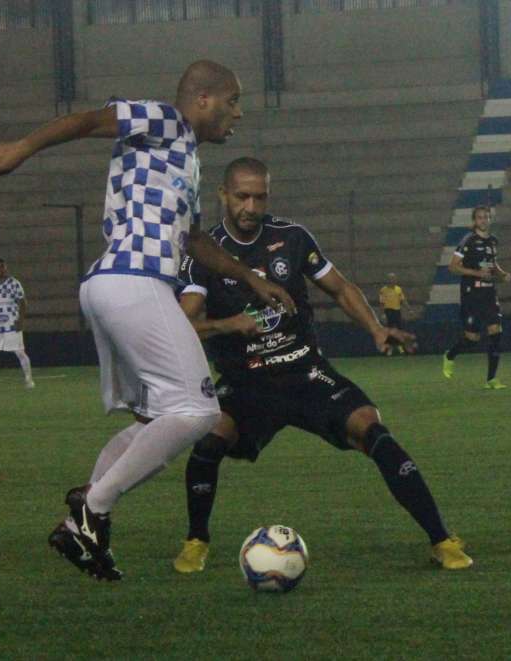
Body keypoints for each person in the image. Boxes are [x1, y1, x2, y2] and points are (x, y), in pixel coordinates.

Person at [0, 61, 296, 581]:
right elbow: (85, 121)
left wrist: (249, 278)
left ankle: (82, 517)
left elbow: (194, 242)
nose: (238, 111)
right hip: (132, 283)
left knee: (156, 421)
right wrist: (21, 150)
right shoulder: (165, 120)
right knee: (198, 412)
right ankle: (90, 512)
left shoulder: (185, 157)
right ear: (204, 98)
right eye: (232, 100)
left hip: (114, 286)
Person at [172, 157, 472, 573]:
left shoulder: (291, 238)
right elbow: (181, 325)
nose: (251, 207)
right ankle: (196, 541)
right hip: (246, 381)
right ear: (223, 195)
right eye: (242, 196)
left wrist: (375, 328)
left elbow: (339, 287)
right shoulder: (204, 253)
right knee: (208, 441)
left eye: (260, 197)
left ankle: (442, 539)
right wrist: (230, 324)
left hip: (304, 370)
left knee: (373, 429)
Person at [441, 205, 511, 389]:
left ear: (490, 219)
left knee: (496, 331)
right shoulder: (468, 240)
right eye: (480, 217)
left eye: (486, 217)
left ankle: (491, 379)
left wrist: (502, 274)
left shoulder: (493, 241)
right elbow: (453, 266)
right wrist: (476, 273)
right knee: (472, 339)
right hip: (471, 294)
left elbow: (492, 263)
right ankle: (450, 355)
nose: (483, 220)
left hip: (489, 293)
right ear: (475, 220)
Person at [0, 258, 34, 390]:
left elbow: (23, 303)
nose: (1, 269)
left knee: (20, 352)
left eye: (3, 267)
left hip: (11, 323)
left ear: (6, 268)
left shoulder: (14, 283)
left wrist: (21, 320)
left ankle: (29, 380)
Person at [379, 272, 409, 354]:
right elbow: (382, 303)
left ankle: (400, 348)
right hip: (388, 311)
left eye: (393, 278)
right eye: (390, 278)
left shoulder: (398, 289)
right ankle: (389, 349)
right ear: (387, 280)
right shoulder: (383, 290)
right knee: (390, 332)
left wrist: (409, 309)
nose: (392, 280)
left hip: (397, 311)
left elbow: (403, 300)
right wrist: (382, 314)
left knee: (399, 330)